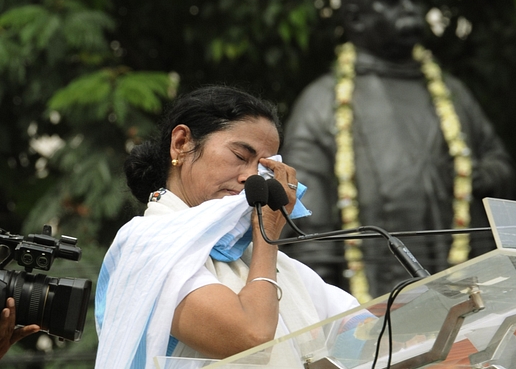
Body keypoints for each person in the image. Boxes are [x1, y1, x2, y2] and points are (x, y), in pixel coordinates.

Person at [281, 0, 516, 302]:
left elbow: (499, 164)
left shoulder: (451, 94)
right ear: (355, 18)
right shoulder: (322, 102)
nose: (409, 8)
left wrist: (480, 176)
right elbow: (306, 219)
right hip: (370, 303)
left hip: (464, 286)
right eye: (391, 0)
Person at [94, 86, 364, 369]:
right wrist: (267, 236)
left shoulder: (257, 259)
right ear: (182, 142)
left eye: (263, 169)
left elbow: (364, 329)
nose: (251, 178)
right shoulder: (146, 244)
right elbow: (251, 336)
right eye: (239, 156)